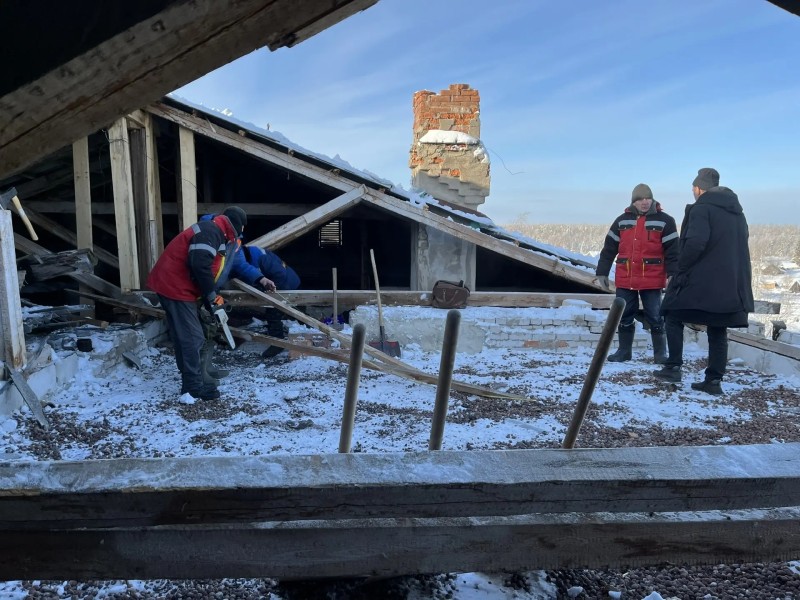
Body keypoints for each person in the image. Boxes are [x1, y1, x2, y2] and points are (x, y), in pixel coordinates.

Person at [146, 207, 273, 400]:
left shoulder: (219, 234)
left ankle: (193, 378)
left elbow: (221, 265)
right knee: (192, 337)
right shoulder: (210, 231)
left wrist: (211, 296)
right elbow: (199, 264)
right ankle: (192, 387)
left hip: (179, 287)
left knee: (187, 336)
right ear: (237, 225)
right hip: (175, 287)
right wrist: (211, 296)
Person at [654, 168, 754, 395]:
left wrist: (680, 269)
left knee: (671, 313)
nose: (692, 191)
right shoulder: (736, 212)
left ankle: (673, 367)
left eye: (693, 187)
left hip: (703, 280)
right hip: (730, 283)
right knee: (718, 328)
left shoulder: (701, 208)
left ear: (699, 188)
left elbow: (695, 242)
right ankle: (713, 381)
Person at [595, 183, 679, 363]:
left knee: (655, 316)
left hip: (652, 278)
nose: (645, 202)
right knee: (624, 315)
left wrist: (673, 273)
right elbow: (609, 249)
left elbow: (673, 252)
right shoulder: (621, 221)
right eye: (640, 199)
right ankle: (624, 352)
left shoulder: (665, 221)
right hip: (626, 277)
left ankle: (660, 354)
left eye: (648, 198)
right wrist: (602, 271)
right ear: (633, 201)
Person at [236, 245, 301, 358]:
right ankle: (308, 326)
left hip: (286, 283)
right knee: (294, 312)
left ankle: (278, 343)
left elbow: (280, 274)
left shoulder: (262, 259)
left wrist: (269, 291)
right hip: (284, 281)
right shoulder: (252, 255)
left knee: (273, 313)